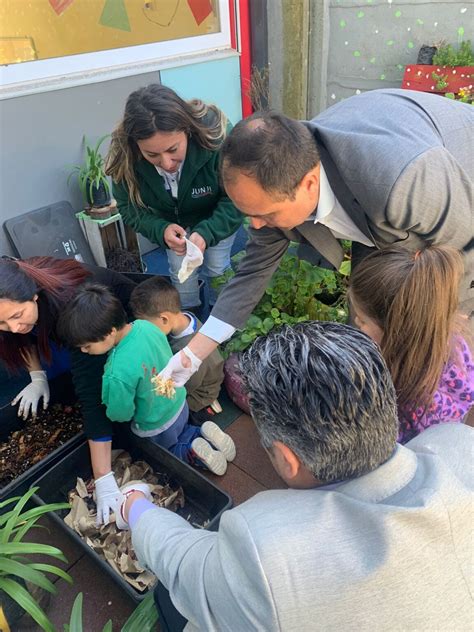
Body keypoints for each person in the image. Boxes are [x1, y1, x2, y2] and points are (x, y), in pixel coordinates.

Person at [118, 322, 473, 630]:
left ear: (287, 459)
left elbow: (184, 566)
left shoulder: (267, 550)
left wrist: (136, 509)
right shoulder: (459, 445)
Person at [156, 88, 473, 387]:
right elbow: (251, 275)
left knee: (444, 349)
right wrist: (191, 355)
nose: (256, 225)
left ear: (308, 185)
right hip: (386, 212)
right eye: (248, 213)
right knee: (367, 318)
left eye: (265, 214)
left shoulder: (404, 180)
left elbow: (465, 250)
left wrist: (447, 322)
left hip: (460, 203)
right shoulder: (283, 176)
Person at [0, 256, 139, 523]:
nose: (13, 328)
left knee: (106, 385)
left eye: (17, 316)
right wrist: (37, 376)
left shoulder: (73, 311)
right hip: (66, 321)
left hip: (123, 317)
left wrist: (103, 476)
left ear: (34, 295)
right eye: (3, 323)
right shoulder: (13, 291)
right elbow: (20, 337)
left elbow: (91, 397)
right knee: (57, 369)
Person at [57, 283, 235, 490]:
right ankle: (201, 432)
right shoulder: (146, 326)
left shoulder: (115, 372)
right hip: (178, 402)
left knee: (169, 449)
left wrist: (114, 412)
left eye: (87, 346)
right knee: (181, 427)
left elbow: (120, 413)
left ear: (109, 333)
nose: (85, 352)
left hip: (154, 422)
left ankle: (190, 452)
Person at [106, 83, 243, 311]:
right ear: (135, 145)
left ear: (187, 130)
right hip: (173, 225)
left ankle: (227, 325)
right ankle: (190, 325)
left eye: (173, 150)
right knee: (182, 278)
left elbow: (237, 198)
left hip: (217, 215)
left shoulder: (217, 139)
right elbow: (128, 207)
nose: (167, 164)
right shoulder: (125, 156)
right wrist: (160, 229)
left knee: (218, 268)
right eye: (152, 155)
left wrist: (207, 232)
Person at [349, 244, 473, 443]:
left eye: (363, 320)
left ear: (396, 330)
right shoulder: (450, 339)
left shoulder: (409, 395)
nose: (356, 322)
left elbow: (380, 445)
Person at [129, 276, 225, 426]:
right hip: (204, 376)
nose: (146, 330)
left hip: (199, 394)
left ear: (164, 319)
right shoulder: (185, 318)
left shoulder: (189, 353)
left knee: (170, 413)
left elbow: (185, 386)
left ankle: (203, 416)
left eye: (147, 325)